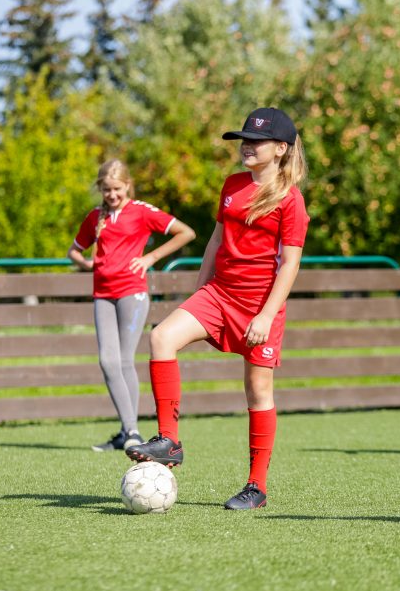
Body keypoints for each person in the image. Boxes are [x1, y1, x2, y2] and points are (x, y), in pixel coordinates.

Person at [125, 107, 310, 511]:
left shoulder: (291, 200)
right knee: (161, 337)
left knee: (258, 390)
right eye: (243, 139)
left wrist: (265, 316)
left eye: (255, 141)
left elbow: (290, 263)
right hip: (218, 294)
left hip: (260, 305)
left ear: (280, 148)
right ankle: (169, 440)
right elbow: (215, 240)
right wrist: (199, 290)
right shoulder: (232, 184)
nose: (246, 146)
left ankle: (256, 487)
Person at [68, 159, 195, 453]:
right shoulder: (94, 218)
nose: (112, 194)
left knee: (124, 360)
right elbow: (73, 250)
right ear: (100, 188)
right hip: (102, 294)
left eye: (117, 189)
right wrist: (88, 264)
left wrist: (150, 259)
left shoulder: (142, 211)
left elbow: (186, 233)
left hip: (132, 294)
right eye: (106, 189)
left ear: (128, 186)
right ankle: (128, 430)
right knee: (107, 361)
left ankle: (132, 432)